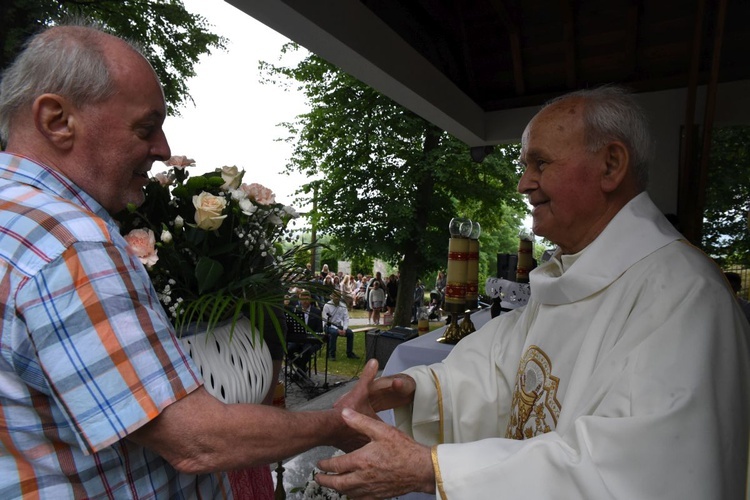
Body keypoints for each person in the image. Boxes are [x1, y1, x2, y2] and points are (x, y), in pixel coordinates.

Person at [314, 86, 750, 498]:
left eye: (540, 163)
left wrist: (434, 470)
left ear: (611, 165)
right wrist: (415, 388)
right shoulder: (568, 273)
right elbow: (504, 369)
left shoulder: (685, 296)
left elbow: (643, 469)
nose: (523, 183)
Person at [0, 22, 374, 498]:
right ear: (57, 120)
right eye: (145, 127)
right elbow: (196, 440)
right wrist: (336, 423)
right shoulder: (72, 242)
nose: (163, 150)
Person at [285, 290, 325, 380]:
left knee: (307, 350)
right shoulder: (295, 310)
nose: (305, 301)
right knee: (288, 350)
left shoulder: (316, 312)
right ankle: (302, 368)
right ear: (300, 299)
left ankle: (299, 372)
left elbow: (319, 329)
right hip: (299, 338)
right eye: (303, 299)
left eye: (307, 299)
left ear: (310, 299)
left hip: (311, 340)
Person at [323, 291, 360, 360]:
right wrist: (337, 330)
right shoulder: (327, 305)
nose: (337, 298)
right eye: (335, 296)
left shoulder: (343, 305)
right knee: (334, 333)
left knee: (350, 333)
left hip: (338, 326)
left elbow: (346, 318)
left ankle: (349, 353)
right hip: (328, 326)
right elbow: (325, 321)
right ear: (332, 296)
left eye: (338, 296)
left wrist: (344, 329)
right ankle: (331, 354)